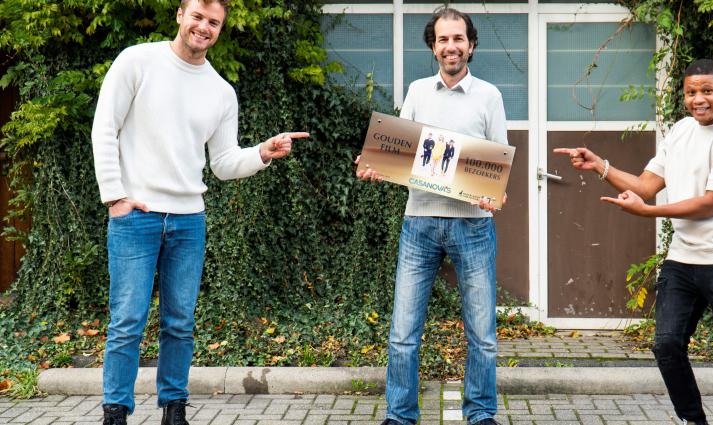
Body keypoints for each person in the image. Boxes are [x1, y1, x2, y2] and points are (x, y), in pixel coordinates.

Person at [91, 1, 308, 424]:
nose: (203, 27)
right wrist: (115, 197)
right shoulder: (137, 61)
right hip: (136, 216)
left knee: (179, 323)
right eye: (197, 16)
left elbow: (224, 163)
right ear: (179, 15)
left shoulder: (221, 91)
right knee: (127, 323)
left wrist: (262, 152)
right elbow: (104, 127)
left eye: (213, 22)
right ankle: (115, 412)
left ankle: (175, 410)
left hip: (189, 221)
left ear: (220, 29)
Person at [555, 59, 713, 425]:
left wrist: (646, 213)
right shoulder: (682, 131)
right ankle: (692, 420)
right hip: (684, 258)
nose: (698, 99)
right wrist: (600, 166)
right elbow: (646, 186)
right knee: (667, 345)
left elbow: (710, 204)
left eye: (706, 91)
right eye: (690, 92)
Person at [356, 7, 508, 425]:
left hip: (474, 228)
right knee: (403, 334)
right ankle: (400, 416)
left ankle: (480, 415)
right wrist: (376, 167)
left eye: (458, 38)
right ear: (433, 46)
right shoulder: (418, 92)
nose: (451, 46)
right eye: (443, 39)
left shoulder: (490, 96)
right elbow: (398, 156)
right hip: (419, 223)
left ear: (470, 45)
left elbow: (497, 166)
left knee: (483, 336)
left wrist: (497, 194)